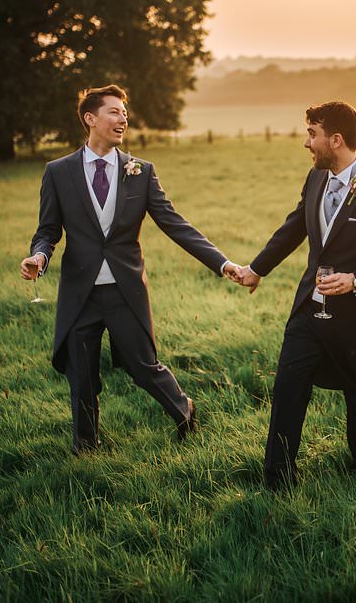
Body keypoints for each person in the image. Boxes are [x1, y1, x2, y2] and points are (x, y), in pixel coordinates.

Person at [20, 84, 242, 455]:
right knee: (82, 376)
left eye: (125, 112)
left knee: (144, 368)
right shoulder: (58, 172)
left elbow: (175, 224)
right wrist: (39, 257)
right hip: (81, 294)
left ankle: (184, 410)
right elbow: (47, 230)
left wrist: (222, 263)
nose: (123, 118)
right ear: (90, 119)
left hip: (125, 292)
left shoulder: (141, 171)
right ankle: (86, 447)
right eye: (114, 111)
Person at [238, 101, 356, 489]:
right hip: (308, 312)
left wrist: (354, 280)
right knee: (287, 388)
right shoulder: (315, 179)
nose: (306, 143)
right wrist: (256, 269)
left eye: (312, 134)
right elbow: (294, 228)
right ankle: (277, 479)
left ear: (335, 140)